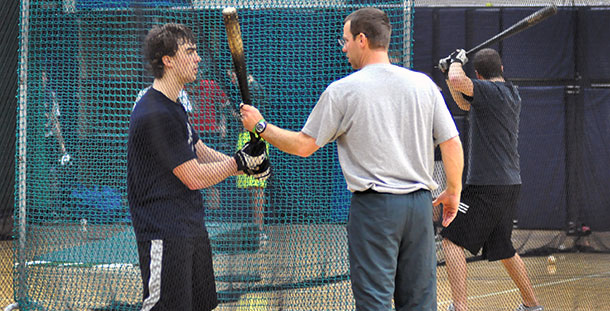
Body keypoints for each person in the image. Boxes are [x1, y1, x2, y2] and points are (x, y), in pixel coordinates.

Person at [240, 8, 464, 311]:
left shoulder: (343, 91)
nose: (342, 47)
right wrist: (453, 191)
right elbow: (451, 143)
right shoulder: (423, 84)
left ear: (362, 39)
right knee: (420, 304)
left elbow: (304, 146)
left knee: (374, 303)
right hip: (420, 208)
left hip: (376, 210)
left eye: (345, 40)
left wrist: (260, 126)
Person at [127, 23, 269, 311]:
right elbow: (192, 176)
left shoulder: (175, 102)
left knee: (201, 305)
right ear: (167, 60)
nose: (198, 58)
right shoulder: (155, 112)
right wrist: (237, 163)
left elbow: (198, 149)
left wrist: (244, 165)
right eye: (190, 52)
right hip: (164, 230)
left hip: (189, 224)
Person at [439, 48, 543, 311]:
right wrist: (449, 71)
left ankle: (459, 307)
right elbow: (463, 100)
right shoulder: (509, 93)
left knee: (451, 238)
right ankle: (532, 305)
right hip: (508, 184)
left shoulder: (488, 91)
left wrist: (455, 63)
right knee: (503, 247)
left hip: (487, 186)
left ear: (478, 75)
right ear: (502, 69)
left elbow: (458, 81)